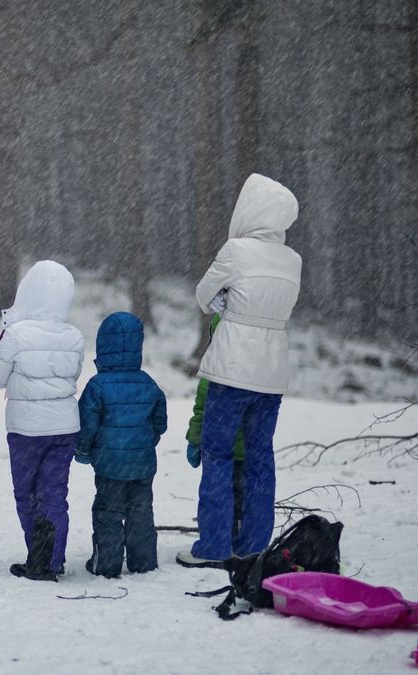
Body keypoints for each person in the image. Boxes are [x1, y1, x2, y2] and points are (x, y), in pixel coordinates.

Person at [177, 173, 303, 567]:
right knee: (260, 458)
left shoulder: (236, 251)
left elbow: (203, 295)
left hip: (232, 370)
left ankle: (214, 546)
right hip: (272, 373)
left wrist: (225, 306)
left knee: (217, 454)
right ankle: (253, 546)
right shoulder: (293, 260)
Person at [0, 261, 85, 582]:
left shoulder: (17, 334)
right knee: (54, 493)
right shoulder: (74, 336)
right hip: (65, 427)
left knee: (27, 493)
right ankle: (52, 560)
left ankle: (38, 558)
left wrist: (5, 338)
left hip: (26, 430)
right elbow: (72, 375)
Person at [74, 312, 167, 578]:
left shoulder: (97, 385)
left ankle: (106, 564)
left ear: (103, 347)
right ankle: (143, 561)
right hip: (142, 463)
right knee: (141, 511)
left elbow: (87, 424)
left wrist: (83, 449)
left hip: (110, 465)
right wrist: (147, 440)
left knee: (108, 511)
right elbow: (160, 422)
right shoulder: (147, 382)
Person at [185, 313, 246, 541]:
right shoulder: (253, 375)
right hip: (245, 452)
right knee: (241, 496)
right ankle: (239, 537)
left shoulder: (211, 375)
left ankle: (218, 537)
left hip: (218, 448)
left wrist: (195, 440)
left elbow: (201, 410)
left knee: (218, 494)